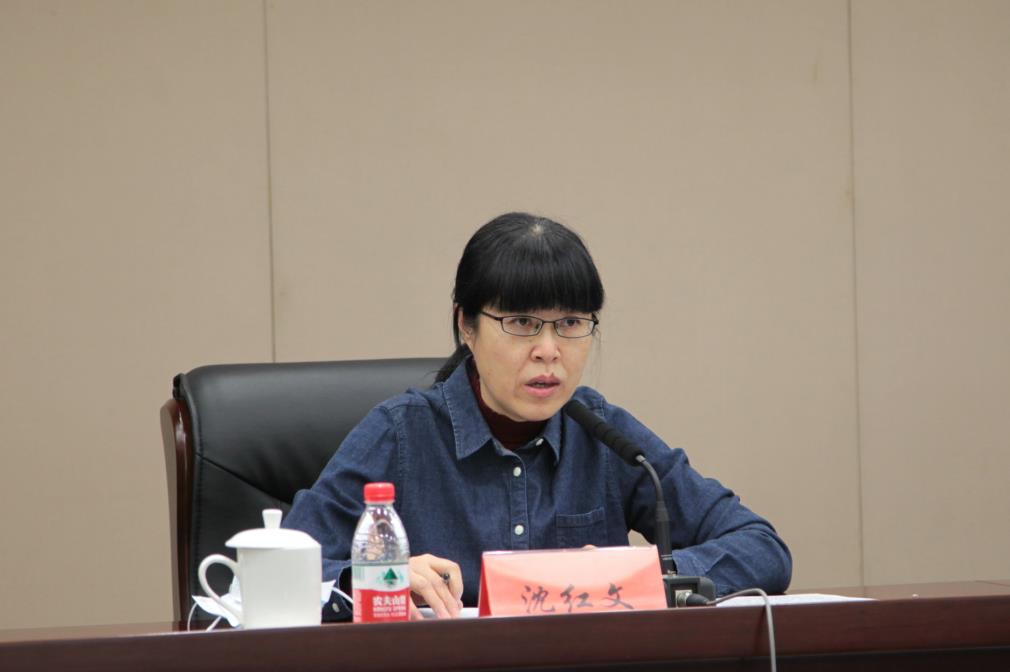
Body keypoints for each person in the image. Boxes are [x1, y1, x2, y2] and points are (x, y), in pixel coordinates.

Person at [284, 212, 791, 620]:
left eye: (570, 323)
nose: (549, 350)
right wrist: (379, 578)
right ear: (466, 325)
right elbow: (282, 574)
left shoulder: (603, 435)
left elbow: (762, 547)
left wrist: (642, 576)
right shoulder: (400, 434)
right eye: (523, 322)